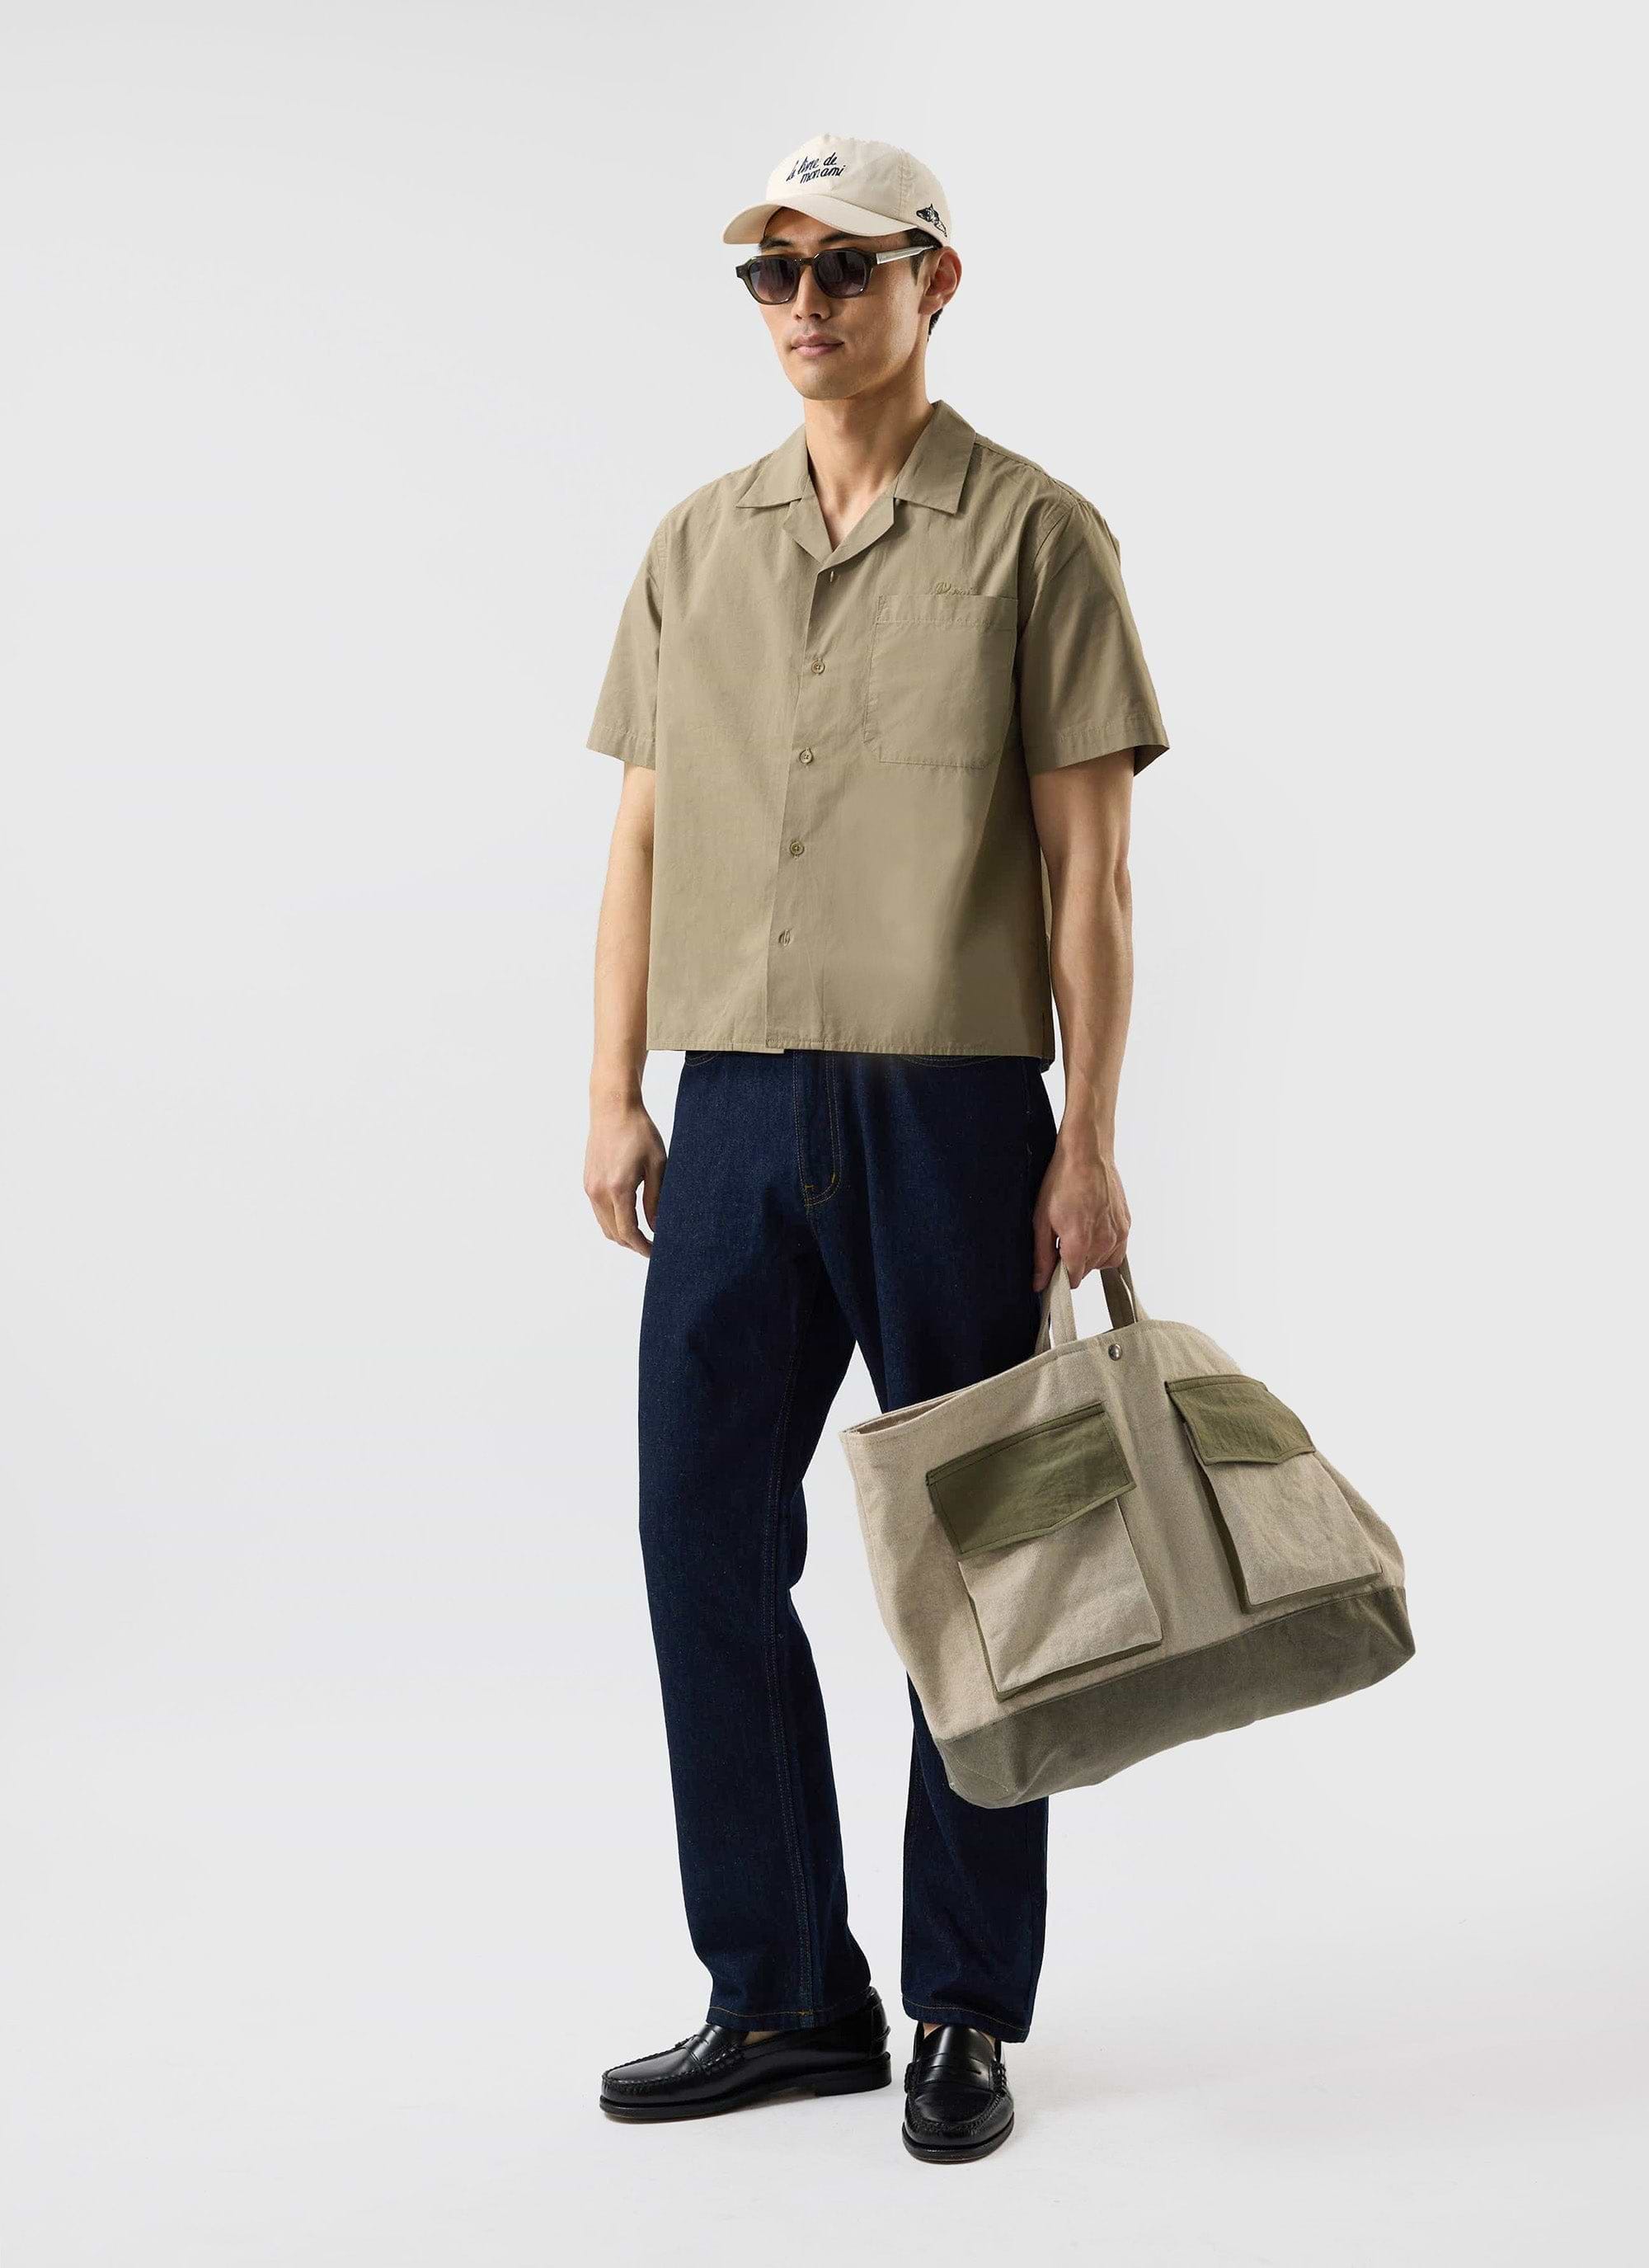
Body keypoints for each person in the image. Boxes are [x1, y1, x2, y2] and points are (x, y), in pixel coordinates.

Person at [580, 131, 1169, 2164]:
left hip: (947, 1107)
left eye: (848, 270)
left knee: (979, 1570)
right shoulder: (695, 540)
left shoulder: (1035, 539)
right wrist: (609, 1088)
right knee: (697, 1535)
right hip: (734, 1102)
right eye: (773, 276)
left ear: (937, 282)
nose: (807, 308)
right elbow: (642, 833)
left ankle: (961, 2008)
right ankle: (780, 1994)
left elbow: (1087, 870)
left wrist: (1085, 1138)